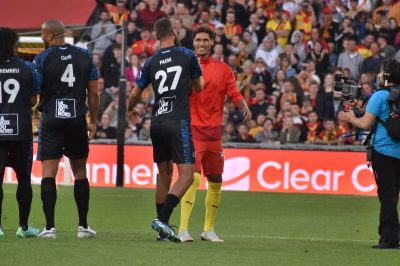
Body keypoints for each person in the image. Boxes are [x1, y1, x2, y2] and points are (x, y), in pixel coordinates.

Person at [127, 18, 204, 242]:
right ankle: (163, 218)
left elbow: (134, 93)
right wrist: (188, 80)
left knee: (164, 175)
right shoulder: (187, 55)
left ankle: (162, 231)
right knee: (187, 175)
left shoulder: (151, 62)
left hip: (157, 121)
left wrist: (130, 109)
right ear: (173, 31)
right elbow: (199, 87)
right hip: (177, 120)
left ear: (156, 35)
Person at [178, 25, 251, 242]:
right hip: (192, 132)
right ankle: (183, 229)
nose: (201, 44)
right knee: (192, 178)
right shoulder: (186, 67)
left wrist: (243, 105)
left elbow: (234, 92)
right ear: (193, 43)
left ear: (212, 42)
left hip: (214, 135)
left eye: (205, 40)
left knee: (216, 180)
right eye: (198, 40)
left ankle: (208, 230)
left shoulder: (224, 69)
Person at [33, 20, 99, 238]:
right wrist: (94, 120)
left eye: (43, 35)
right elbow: (94, 92)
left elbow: (35, 89)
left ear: (50, 36)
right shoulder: (84, 55)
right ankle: (83, 227)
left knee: (48, 173)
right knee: (81, 173)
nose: (42, 38)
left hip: (51, 118)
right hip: (76, 119)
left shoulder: (42, 58)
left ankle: (49, 228)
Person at [343, 59, 400, 249]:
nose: (379, 73)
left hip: (383, 152)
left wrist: (351, 116)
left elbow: (364, 124)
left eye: (382, 70)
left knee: (387, 196)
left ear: (386, 75)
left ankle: (390, 237)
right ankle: (390, 234)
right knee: (394, 195)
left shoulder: (379, 97)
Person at [0, 27, 40, 239]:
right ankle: (23, 228)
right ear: (13, 45)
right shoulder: (27, 67)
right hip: (21, 132)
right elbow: (34, 100)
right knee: (24, 179)